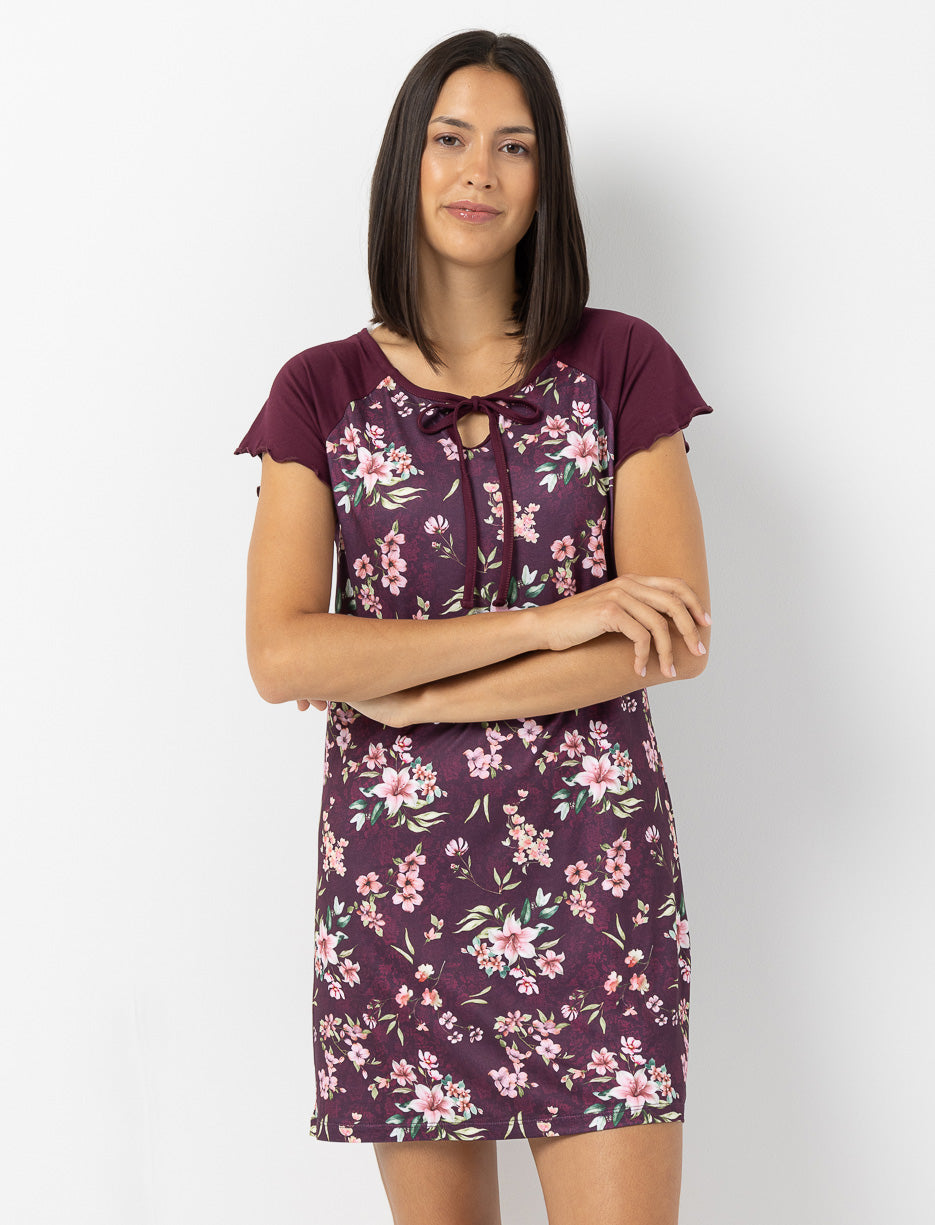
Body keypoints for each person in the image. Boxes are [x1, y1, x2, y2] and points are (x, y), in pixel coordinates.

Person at [236, 29, 713, 1225]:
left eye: (514, 147)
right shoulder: (320, 391)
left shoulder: (620, 363)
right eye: (451, 139)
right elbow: (284, 653)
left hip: (595, 883)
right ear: (407, 160)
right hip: (398, 898)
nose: (478, 172)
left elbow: (666, 634)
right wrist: (555, 622)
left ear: (545, 181)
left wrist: (409, 691)